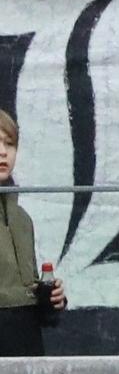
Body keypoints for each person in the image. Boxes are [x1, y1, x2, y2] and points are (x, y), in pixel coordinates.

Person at [0, 106, 51, 357]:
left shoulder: (22, 220)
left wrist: (49, 298)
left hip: (27, 346)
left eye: (9, 144)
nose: (2, 152)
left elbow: (27, 298)